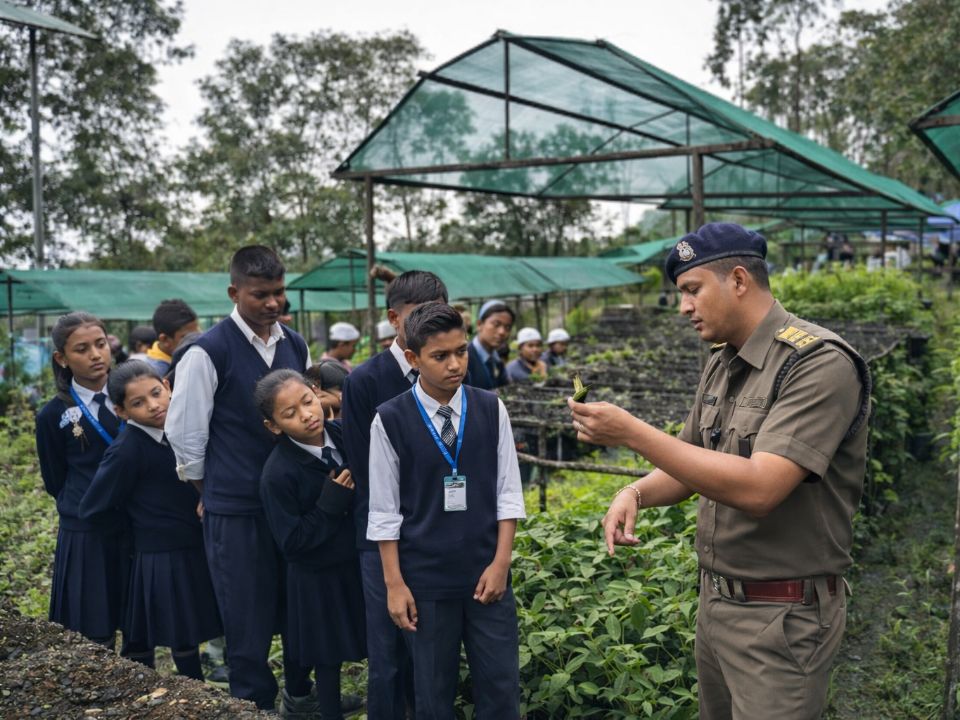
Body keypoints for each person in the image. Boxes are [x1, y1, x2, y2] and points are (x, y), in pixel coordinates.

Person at [571, 223, 870, 720]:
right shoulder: (721, 360)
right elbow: (692, 460)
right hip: (716, 606)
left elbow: (760, 488)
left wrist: (630, 432)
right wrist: (636, 492)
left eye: (692, 290)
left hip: (782, 618)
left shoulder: (817, 363)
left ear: (737, 280)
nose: (684, 307)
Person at [166, 245, 311, 711]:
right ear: (234, 292)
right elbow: (185, 435)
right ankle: (253, 703)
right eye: (260, 295)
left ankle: (301, 693)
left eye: (278, 293)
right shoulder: (207, 352)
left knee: (297, 606)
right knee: (245, 614)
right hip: (237, 508)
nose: (272, 304)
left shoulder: (295, 344)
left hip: (290, 504)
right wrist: (210, 492)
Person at [368, 302, 526, 719]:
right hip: (425, 582)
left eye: (461, 351)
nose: (455, 364)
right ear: (412, 358)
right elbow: (384, 511)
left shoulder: (491, 408)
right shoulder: (390, 419)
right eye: (440, 356)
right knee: (432, 695)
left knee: (501, 688)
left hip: (486, 576)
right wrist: (395, 585)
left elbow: (508, 492)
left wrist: (501, 564)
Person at [340, 270, 448, 720]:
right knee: (387, 651)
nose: (433, 324)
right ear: (393, 319)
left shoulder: (454, 369)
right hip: (384, 532)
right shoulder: (366, 380)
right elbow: (366, 467)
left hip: (441, 529)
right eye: (418, 315)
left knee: (433, 649)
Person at [78, 361, 221, 680]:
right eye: (138, 403)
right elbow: (93, 508)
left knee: (192, 622)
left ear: (168, 387)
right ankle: (188, 690)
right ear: (121, 411)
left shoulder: (182, 431)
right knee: (179, 631)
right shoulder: (127, 450)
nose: (154, 406)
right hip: (160, 552)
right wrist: (136, 529)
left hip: (193, 542)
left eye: (156, 393)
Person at [256, 369, 367, 719]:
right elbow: (292, 542)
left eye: (307, 401)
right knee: (327, 660)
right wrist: (327, 507)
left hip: (359, 563)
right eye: (289, 414)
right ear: (273, 426)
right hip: (316, 579)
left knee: (380, 645)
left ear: (316, 392)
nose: (306, 414)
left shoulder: (345, 434)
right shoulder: (278, 473)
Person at [35, 312, 127, 647]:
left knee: (136, 623)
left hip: (135, 521)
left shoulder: (135, 399)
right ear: (62, 358)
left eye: (100, 344)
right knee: (94, 630)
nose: (95, 355)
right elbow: (54, 478)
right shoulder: (53, 414)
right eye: (82, 349)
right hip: (86, 529)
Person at [465, 300, 514, 390]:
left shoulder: (497, 360)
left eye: (507, 327)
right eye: (496, 324)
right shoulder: (464, 358)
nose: (502, 332)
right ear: (479, 324)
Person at [147, 299, 200, 376]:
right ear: (165, 340)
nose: (195, 340)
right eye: (187, 338)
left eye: (198, 334)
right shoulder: (156, 374)